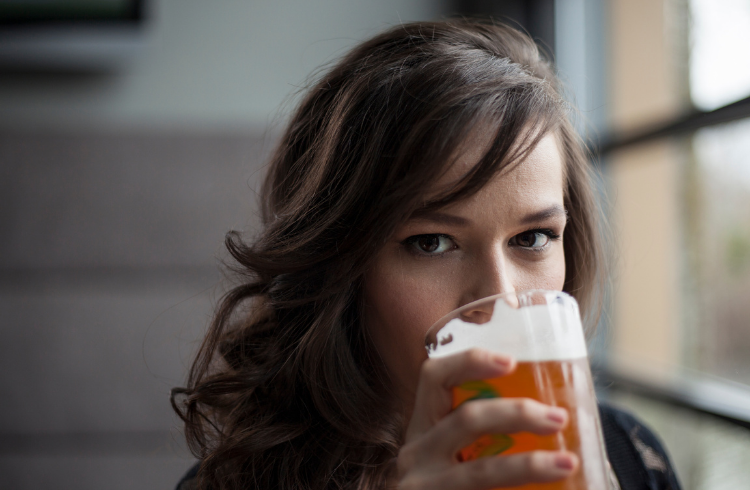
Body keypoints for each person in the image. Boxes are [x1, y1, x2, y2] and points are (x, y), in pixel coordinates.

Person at [172, 19, 681, 490]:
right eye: (431, 243)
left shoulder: (631, 458)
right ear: (340, 267)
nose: (500, 298)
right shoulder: (232, 482)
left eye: (532, 239)